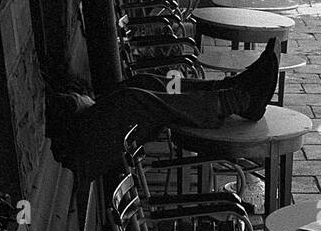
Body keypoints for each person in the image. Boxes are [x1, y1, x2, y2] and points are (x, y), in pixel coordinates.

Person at [45, 39, 280, 186]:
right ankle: (235, 100)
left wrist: (81, 100)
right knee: (135, 99)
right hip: (77, 148)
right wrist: (75, 103)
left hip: (82, 120)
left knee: (146, 82)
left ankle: (231, 89)